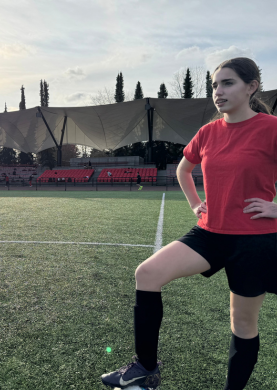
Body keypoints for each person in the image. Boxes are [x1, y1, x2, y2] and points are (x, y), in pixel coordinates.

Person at [101, 57, 277, 390]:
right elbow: (183, 170)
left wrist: (276, 209)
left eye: (228, 83)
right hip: (210, 232)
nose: (218, 91)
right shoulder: (209, 132)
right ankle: (146, 369)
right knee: (147, 273)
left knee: (242, 322)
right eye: (214, 85)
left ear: (251, 87)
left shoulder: (271, 128)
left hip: (255, 239)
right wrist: (197, 204)